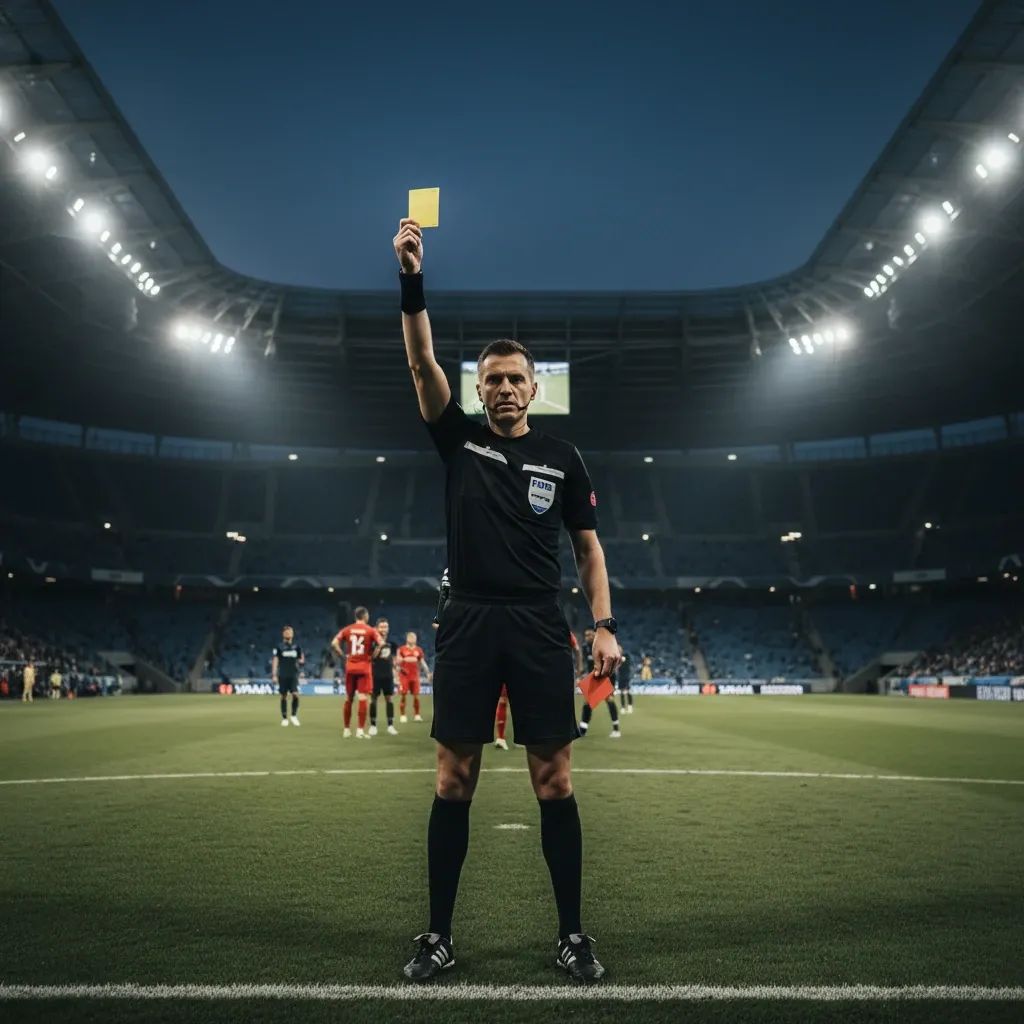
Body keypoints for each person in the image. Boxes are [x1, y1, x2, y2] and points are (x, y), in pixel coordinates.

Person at [392, 218, 621, 984]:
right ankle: (437, 936)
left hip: (535, 623)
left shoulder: (563, 457)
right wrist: (412, 279)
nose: (504, 387)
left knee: (553, 777)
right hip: (465, 621)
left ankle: (573, 935)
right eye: (491, 378)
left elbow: (588, 550)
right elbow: (421, 359)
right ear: (478, 388)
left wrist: (604, 627)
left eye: (516, 377)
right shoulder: (457, 440)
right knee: (453, 776)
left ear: (535, 387)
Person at [496, 630, 581, 750]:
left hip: (514, 665)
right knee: (524, 702)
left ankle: (501, 738)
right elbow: (576, 649)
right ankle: (524, 737)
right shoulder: (558, 628)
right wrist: (579, 667)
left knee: (505, 701)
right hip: (532, 669)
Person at [332, 608, 381, 739]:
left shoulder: (347, 629)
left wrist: (343, 656)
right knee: (363, 698)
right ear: (365, 616)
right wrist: (373, 655)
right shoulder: (371, 630)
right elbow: (381, 644)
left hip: (350, 666)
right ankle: (360, 730)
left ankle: (346, 730)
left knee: (348, 698)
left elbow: (334, 643)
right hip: (364, 667)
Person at [578, 627, 621, 739]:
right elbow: (587, 663)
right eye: (586, 635)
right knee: (587, 702)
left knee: (609, 700)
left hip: (607, 675)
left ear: (595, 634)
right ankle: (583, 730)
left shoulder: (601, 646)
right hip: (594, 676)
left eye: (590, 635)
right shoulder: (585, 647)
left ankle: (616, 729)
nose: (588, 637)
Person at [369, 618, 399, 736]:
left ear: (388, 628)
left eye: (385, 627)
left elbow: (394, 661)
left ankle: (390, 725)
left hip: (388, 676)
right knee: (373, 700)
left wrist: (396, 675)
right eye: (381, 627)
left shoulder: (393, 643)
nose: (383, 629)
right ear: (376, 628)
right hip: (375, 675)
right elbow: (370, 658)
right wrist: (379, 646)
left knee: (389, 700)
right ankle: (373, 726)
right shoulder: (371, 642)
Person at [271, 625, 304, 727]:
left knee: (295, 694)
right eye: (287, 632)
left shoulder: (297, 647)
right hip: (283, 675)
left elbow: (301, 659)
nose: (289, 634)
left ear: (292, 634)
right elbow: (275, 660)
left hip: (293, 674)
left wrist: (302, 661)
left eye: (290, 632)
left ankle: (293, 716)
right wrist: (274, 675)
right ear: (283, 634)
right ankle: (285, 718)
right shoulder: (279, 647)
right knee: (283, 696)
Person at [397, 631, 431, 723]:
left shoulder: (418, 650)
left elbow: (422, 662)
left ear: (416, 639)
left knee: (416, 696)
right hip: (404, 676)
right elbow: (397, 663)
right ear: (407, 639)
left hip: (415, 676)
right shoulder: (401, 649)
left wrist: (428, 672)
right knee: (403, 695)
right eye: (410, 637)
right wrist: (398, 668)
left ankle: (417, 715)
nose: (412, 639)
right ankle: (403, 715)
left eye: (414, 637)